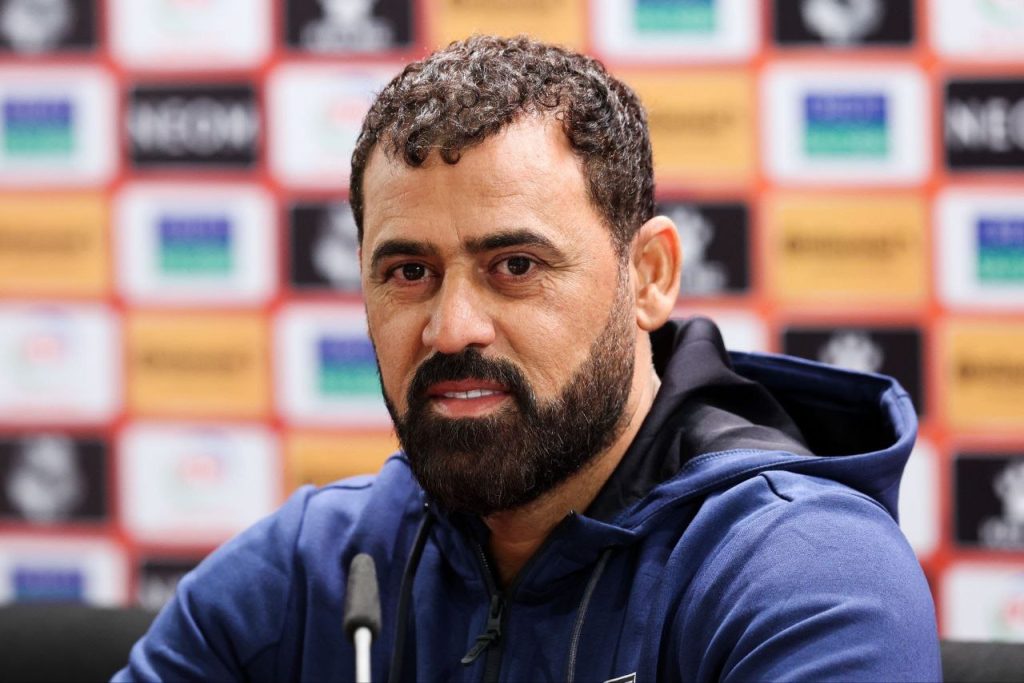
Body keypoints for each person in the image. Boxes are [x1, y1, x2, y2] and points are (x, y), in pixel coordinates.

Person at [115, 35, 941, 682]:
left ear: (649, 276)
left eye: (515, 265)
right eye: (410, 272)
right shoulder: (318, 564)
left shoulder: (803, 571)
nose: (451, 329)